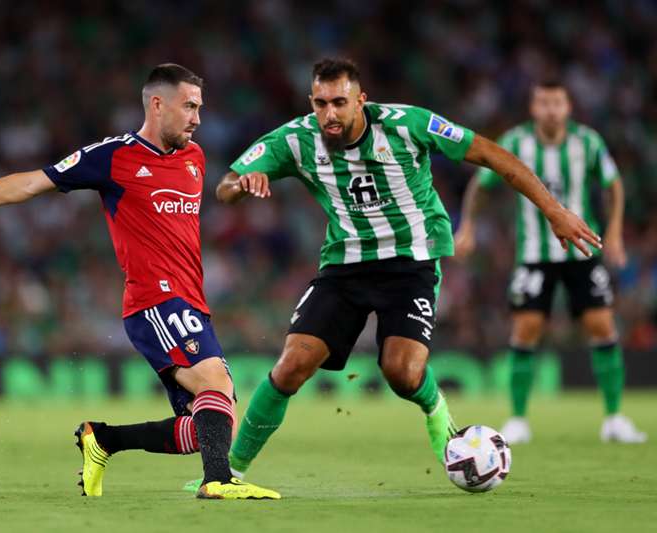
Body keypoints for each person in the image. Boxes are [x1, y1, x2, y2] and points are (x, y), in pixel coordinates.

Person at [188, 57, 600, 488]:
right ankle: (227, 473)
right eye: (320, 103)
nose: (329, 113)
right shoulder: (294, 139)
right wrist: (243, 184)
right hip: (344, 267)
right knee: (292, 365)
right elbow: (226, 185)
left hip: (411, 265)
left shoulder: (407, 124)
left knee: (402, 374)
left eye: (340, 102)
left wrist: (555, 211)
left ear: (361, 101)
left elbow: (490, 153)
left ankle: (435, 407)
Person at [0, 63, 280, 500]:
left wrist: (244, 183)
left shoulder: (194, 159)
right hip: (154, 301)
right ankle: (218, 481)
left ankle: (102, 439)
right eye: (190, 107)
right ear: (157, 105)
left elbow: (219, 194)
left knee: (209, 428)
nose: (198, 118)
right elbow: (32, 183)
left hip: (193, 304)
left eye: (200, 108)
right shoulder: (113, 156)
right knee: (214, 383)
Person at [453, 79, 647, 444]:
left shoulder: (587, 141)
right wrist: (468, 227)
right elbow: (482, 183)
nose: (551, 109)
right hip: (534, 255)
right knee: (525, 328)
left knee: (603, 325)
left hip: (581, 252)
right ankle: (518, 418)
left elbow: (613, 184)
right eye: (544, 102)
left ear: (568, 107)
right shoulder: (515, 142)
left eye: (557, 102)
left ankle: (614, 418)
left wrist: (616, 231)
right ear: (533, 107)